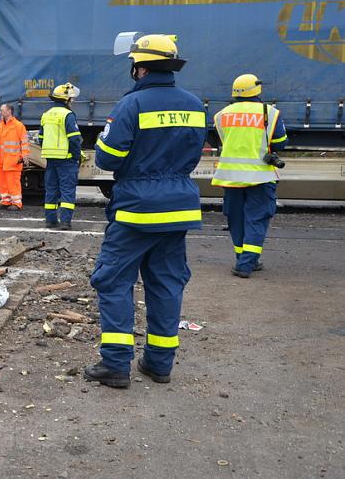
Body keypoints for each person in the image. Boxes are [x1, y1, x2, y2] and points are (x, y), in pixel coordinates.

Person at [84, 34, 206, 388]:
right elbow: (192, 155)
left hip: (137, 209)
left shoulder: (131, 105)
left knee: (113, 280)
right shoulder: (195, 105)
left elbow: (108, 158)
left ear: (139, 67)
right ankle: (158, 364)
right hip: (178, 208)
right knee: (167, 283)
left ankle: (116, 364)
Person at [211, 74, 287, 278]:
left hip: (230, 177)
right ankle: (246, 264)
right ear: (257, 90)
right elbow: (280, 143)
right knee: (257, 218)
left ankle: (242, 258)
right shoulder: (269, 113)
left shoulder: (221, 115)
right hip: (260, 177)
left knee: (236, 219)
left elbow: (222, 140)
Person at [39, 83, 83, 229]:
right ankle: (65, 221)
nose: (73, 101)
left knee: (51, 189)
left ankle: (50, 220)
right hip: (66, 158)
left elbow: (41, 138)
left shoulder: (46, 114)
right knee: (67, 190)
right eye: (71, 98)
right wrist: (76, 156)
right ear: (66, 100)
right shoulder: (67, 115)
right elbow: (75, 139)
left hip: (50, 159)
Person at [0, 103, 30, 210]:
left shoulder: (18, 126)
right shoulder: (1, 125)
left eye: (2, 110)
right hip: (1, 160)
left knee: (13, 183)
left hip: (13, 160)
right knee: (2, 183)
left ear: (9, 111)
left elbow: (24, 142)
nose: (0, 112)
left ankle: (17, 203)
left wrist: (25, 155)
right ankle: (5, 201)